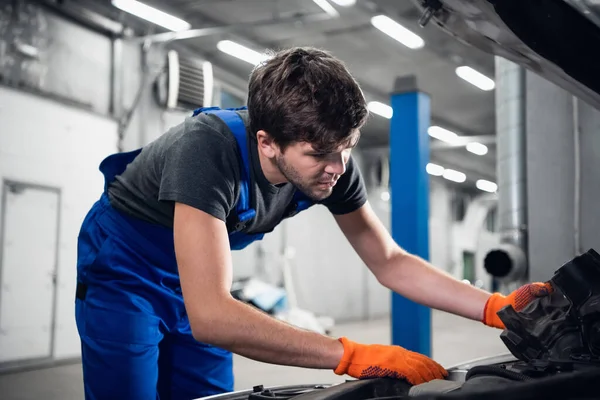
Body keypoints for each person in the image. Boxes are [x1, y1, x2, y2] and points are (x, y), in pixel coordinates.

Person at [74, 46, 553, 399]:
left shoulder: (332, 167)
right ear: (267, 143)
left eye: (346, 149)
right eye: (320, 154)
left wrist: (495, 306)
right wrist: (350, 355)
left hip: (195, 283)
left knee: (206, 397)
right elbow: (213, 316)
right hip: (125, 270)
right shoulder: (207, 150)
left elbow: (389, 261)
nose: (338, 168)